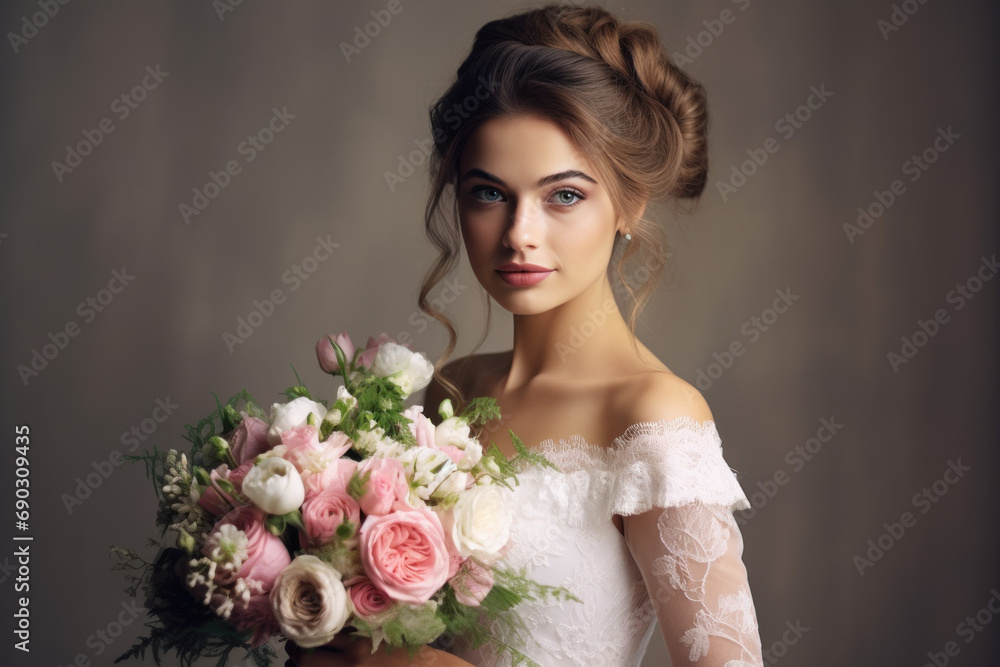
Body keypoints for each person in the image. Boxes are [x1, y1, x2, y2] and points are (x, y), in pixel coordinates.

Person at [287, 3, 763, 666]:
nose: (518, 234)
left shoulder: (652, 417)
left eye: (563, 195)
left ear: (629, 203)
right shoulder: (453, 392)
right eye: (489, 193)